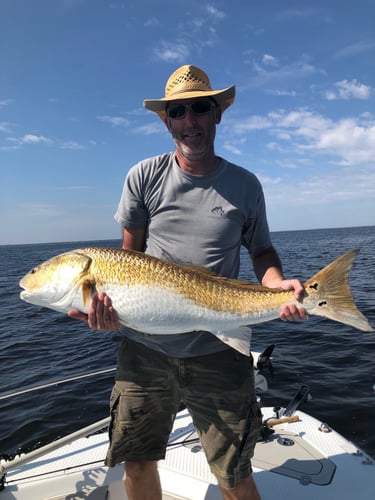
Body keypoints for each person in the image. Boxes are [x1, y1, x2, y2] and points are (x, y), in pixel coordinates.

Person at [69, 64, 307, 500]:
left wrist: (276, 284)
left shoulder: (245, 185)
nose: (189, 122)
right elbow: (127, 261)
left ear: (217, 114)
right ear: (166, 121)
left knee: (234, 474)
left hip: (219, 351)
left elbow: (261, 252)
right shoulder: (144, 177)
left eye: (200, 108)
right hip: (145, 352)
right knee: (137, 464)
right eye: (178, 112)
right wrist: (107, 313)